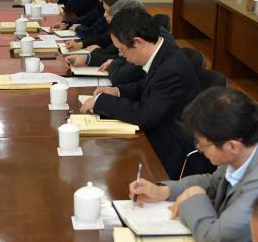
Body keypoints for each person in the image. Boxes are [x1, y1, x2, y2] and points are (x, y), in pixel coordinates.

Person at [128, 87, 258, 242]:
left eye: (202, 144)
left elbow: (213, 239)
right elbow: (215, 181)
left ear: (232, 146)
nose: (199, 149)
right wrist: (163, 191)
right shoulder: (246, 142)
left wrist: (193, 198)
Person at [81, 9, 200, 179]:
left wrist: (101, 102)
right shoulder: (162, 51)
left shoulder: (171, 68)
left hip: (170, 148)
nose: (122, 57)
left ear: (137, 42)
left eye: (122, 50)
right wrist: (117, 91)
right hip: (160, 129)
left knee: (103, 159)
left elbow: (145, 115)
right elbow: (146, 86)